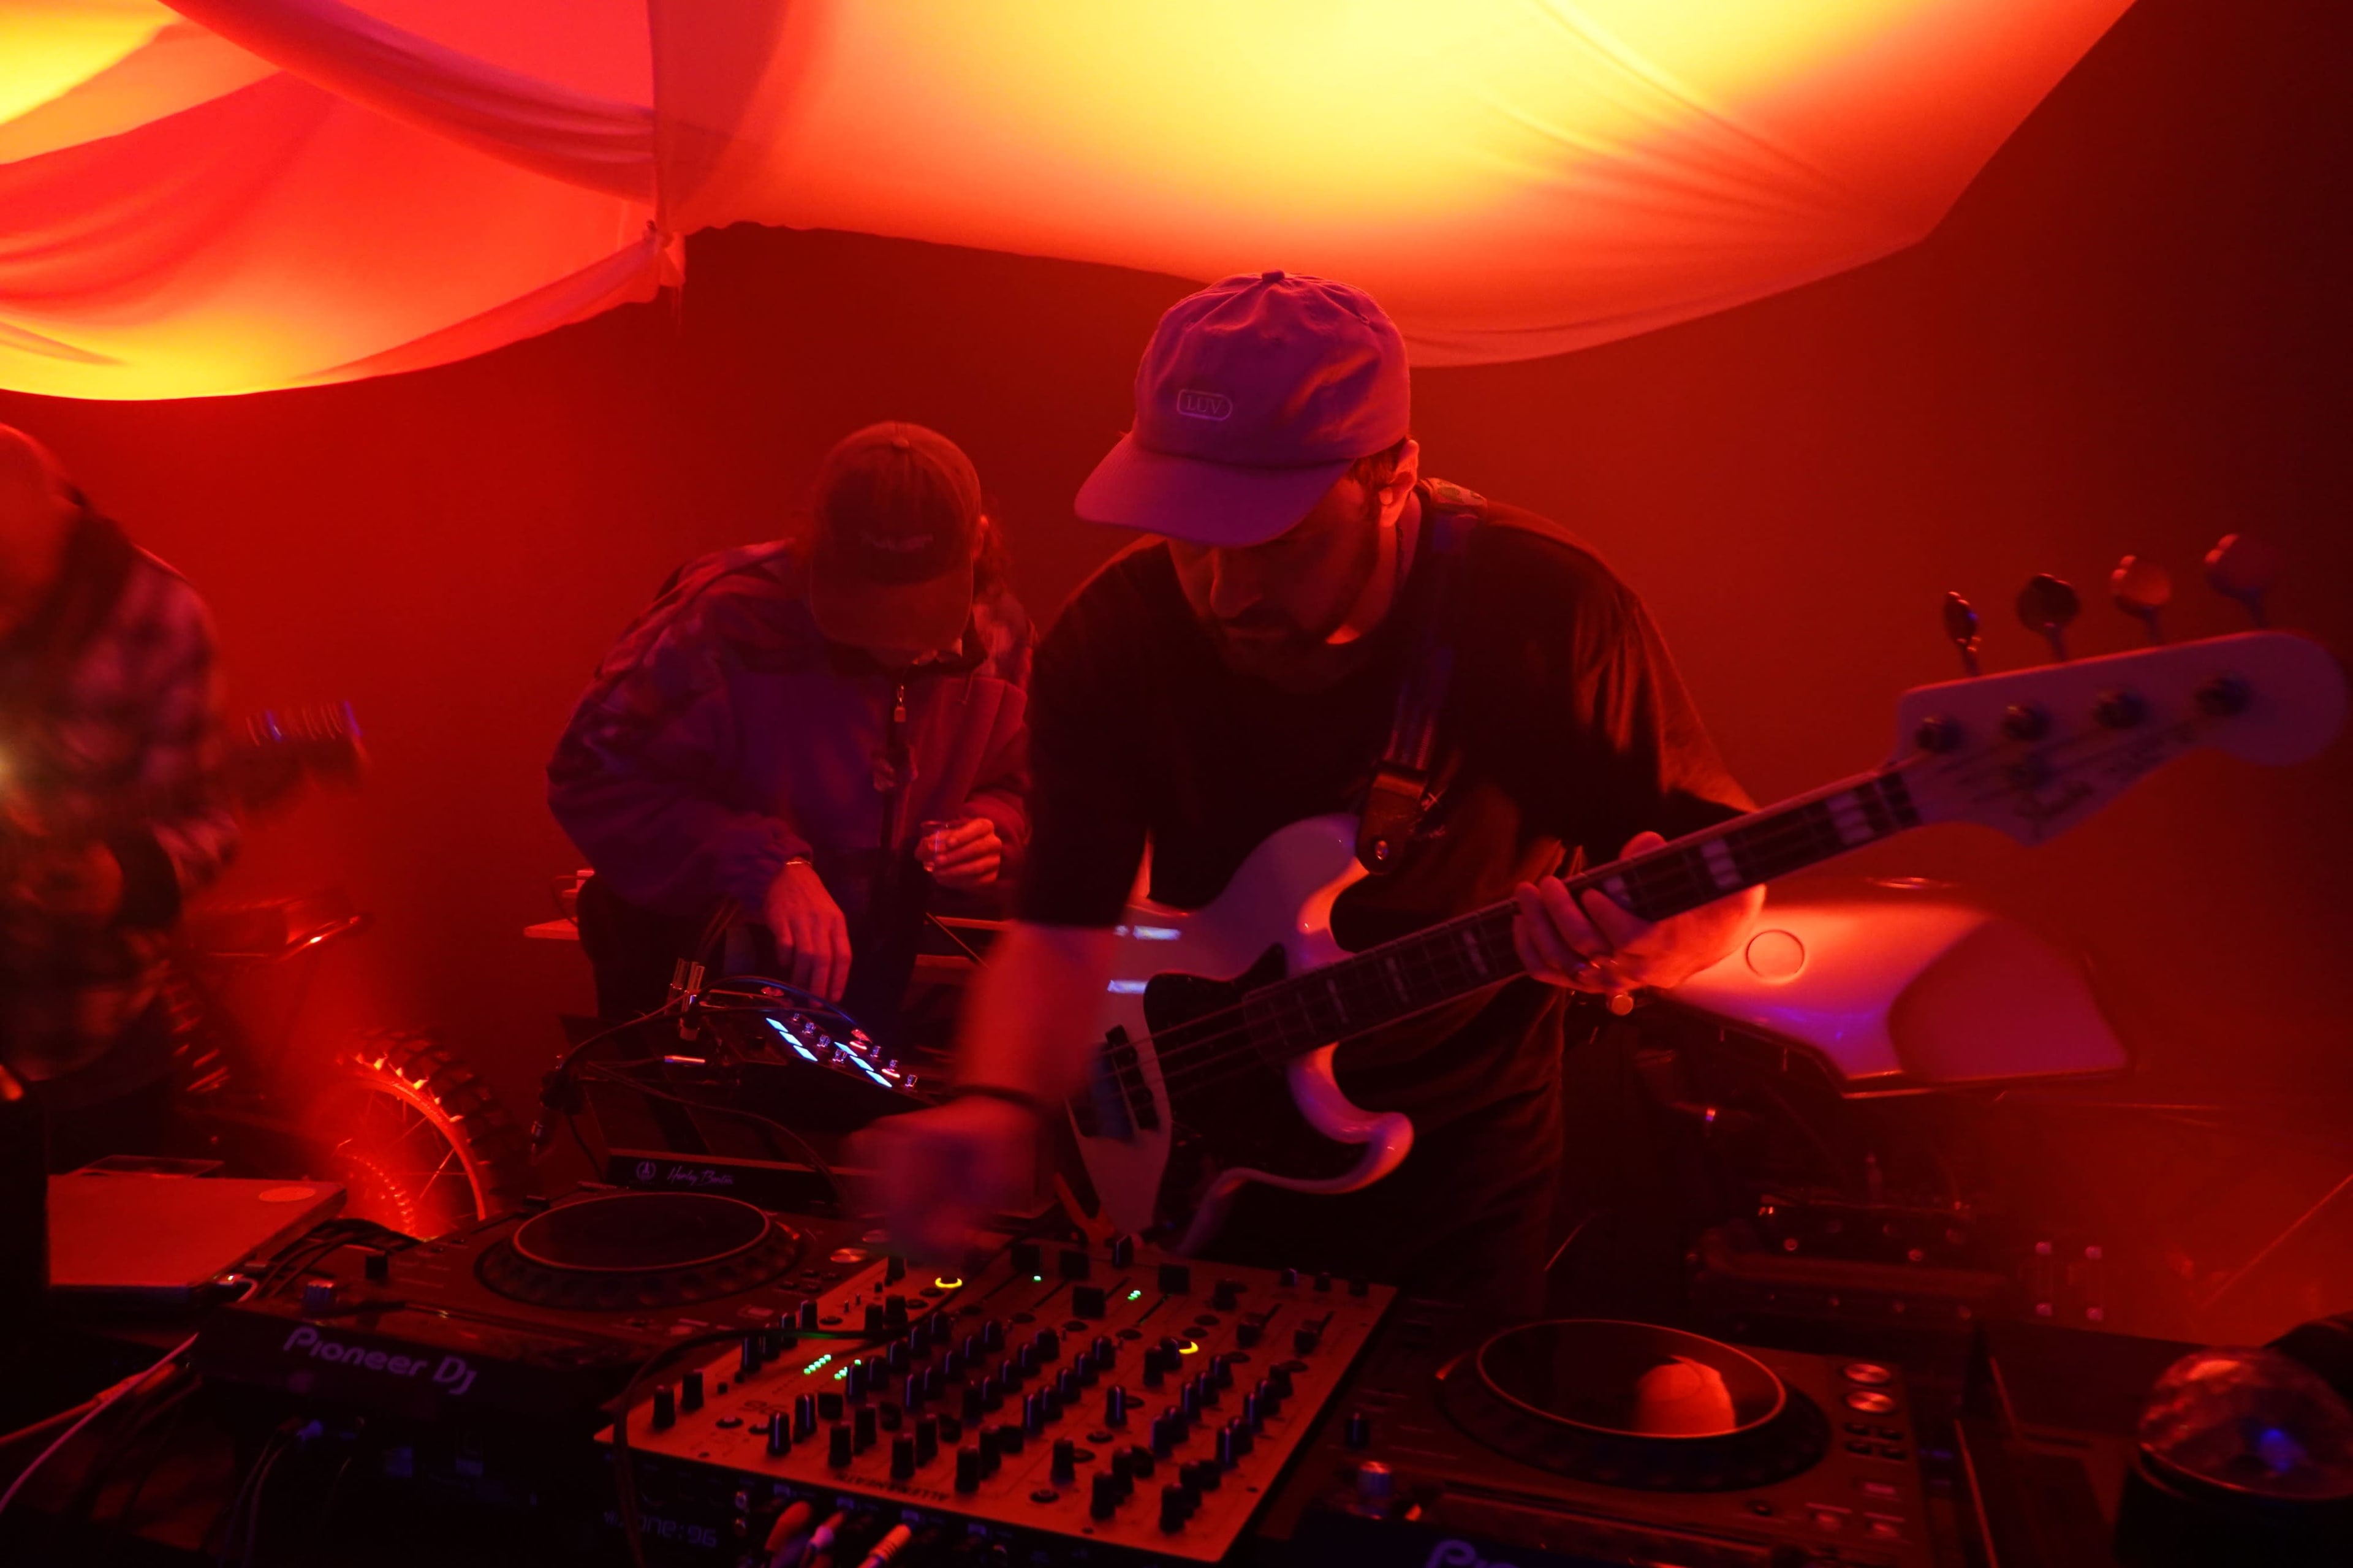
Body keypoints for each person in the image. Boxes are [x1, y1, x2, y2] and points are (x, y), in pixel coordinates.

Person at [867, 272, 1762, 1312]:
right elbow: (1062, 931)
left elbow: (1724, 874)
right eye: (1190, 531)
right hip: (1173, 1161)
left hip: (1452, 1186)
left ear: (1393, 477)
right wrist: (994, 1101)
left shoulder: (1545, 610)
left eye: (1278, 542)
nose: (1224, 587)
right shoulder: (1113, 632)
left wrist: (1659, 944)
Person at [549, 423, 1031, 1039]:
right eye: (863, 607)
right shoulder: (722, 618)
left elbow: (1023, 784)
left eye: (920, 608)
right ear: (815, 547)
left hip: (869, 970)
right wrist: (767, 865)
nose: (895, 642)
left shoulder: (999, 634)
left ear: (977, 545)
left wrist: (990, 829)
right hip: (689, 962)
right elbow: (590, 777)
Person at [0, 426, 238, 1171]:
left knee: (95, 1278)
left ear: (60, 519)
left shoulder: (160, 614)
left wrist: (122, 877)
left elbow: (209, 818)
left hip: (90, 1050)